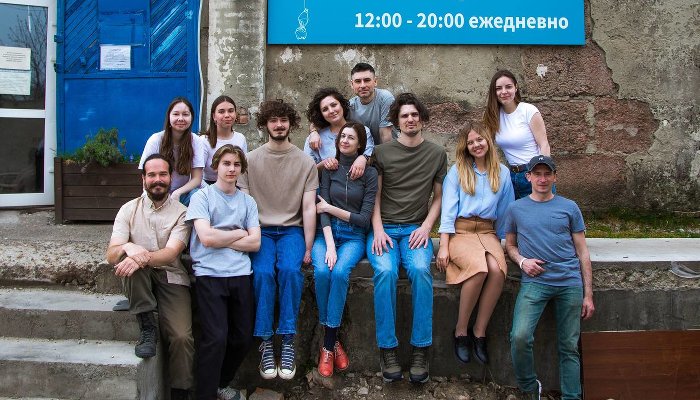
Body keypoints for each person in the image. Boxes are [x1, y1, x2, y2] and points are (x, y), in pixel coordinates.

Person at [368, 93, 447, 384]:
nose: (410, 119)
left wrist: (427, 227)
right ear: (396, 122)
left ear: (422, 119)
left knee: (420, 270)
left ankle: (420, 349)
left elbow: (438, 198)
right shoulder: (382, 153)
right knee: (385, 271)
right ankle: (387, 349)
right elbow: (374, 196)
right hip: (384, 229)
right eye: (404, 116)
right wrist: (377, 229)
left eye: (415, 115)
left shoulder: (437, 154)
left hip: (416, 229)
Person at [237, 99, 318, 381]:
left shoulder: (306, 162)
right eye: (273, 120)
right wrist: (249, 236)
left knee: (290, 271)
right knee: (261, 273)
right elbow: (245, 205)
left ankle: (287, 338)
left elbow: (308, 208)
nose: (279, 125)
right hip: (260, 230)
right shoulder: (249, 160)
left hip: (292, 231)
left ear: (291, 124)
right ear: (265, 124)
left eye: (284, 120)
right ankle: (265, 341)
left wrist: (309, 246)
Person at [504, 155, 595, 400]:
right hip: (535, 282)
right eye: (537, 174)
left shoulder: (569, 207)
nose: (542, 179)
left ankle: (572, 397)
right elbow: (510, 245)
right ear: (528, 177)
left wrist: (588, 294)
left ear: (555, 177)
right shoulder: (516, 208)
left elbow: (583, 251)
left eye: (547, 174)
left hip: (569, 282)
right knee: (520, 337)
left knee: (569, 346)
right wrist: (522, 261)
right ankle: (530, 388)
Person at [106, 154, 194, 400]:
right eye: (152, 175)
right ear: (143, 179)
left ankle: (180, 392)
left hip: (171, 277)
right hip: (139, 278)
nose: (158, 180)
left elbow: (171, 254)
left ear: (170, 178)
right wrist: (128, 248)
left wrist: (138, 255)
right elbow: (112, 254)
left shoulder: (182, 213)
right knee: (128, 260)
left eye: (163, 174)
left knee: (182, 337)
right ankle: (147, 326)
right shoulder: (128, 209)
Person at [186, 145, 260, 400]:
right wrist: (239, 233)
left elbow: (255, 243)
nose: (231, 169)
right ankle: (204, 395)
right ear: (216, 166)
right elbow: (206, 238)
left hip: (240, 274)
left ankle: (221, 383)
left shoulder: (248, 201)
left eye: (236, 164)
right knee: (215, 338)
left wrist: (223, 239)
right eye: (226, 163)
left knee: (243, 338)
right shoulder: (202, 197)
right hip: (210, 275)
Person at [436, 122, 514, 366]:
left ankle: (479, 332)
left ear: (488, 141)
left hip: (488, 232)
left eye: (480, 140)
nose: (476, 145)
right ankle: (461, 331)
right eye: (471, 142)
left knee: (497, 270)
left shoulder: (502, 173)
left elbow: (506, 211)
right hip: (461, 232)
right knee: (479, 269)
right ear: (466, 147)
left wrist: (504, 243)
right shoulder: (457, 171)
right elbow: (447, 211)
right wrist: (444, 245)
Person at [312, 122, 378, 377]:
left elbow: (363, 219)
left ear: (360, 145)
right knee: (322, 271)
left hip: (353, 237)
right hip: (326, 234)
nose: (345, 141)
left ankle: (327, 345)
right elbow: (321, 209)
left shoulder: (370, 174)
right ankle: (333, 341)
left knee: (340, 273)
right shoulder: (330, 169)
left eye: (351, 138)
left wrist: (330, 209)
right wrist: (329, 245)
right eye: (342, 136)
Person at [482, 70, 552, 199]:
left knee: (540, 211)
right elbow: (486, 146)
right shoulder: (494, 116)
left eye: (508, 87)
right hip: (511, 176)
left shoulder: (528, 110)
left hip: (533, 172)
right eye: (498, 88)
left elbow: (544, 144)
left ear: (516, 87)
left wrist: (541, 174)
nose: (504, 92)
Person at [307, 62, 395, 153]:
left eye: (367, 80)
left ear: (375, 81)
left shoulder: (385, 98)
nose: (362, 85)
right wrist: (313, 132)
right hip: (365, 152)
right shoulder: (350, 106)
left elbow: (385, 136)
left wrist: (382, 160)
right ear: (352, 84)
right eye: (358, 81)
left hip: (389, 151)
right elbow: (321, 120)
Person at [139, 96, 205, 206]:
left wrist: (177, 193)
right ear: (169, 117)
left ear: (192, 117)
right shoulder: (155, 140)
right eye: (176, 114)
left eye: (185, 114)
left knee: (199, 195)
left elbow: (197, 179)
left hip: (183, 194)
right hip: (157, 193)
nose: (181, 118)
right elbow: (145, 175)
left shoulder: (196, 141)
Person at [304, 87, 374, 180]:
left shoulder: (363, 130)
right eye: (325, 109)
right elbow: (307, 173)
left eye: (334, 105)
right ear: (321, 114)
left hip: (360, 185)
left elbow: (371, 157)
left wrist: (363, 158)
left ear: (342, 105)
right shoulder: (314, 138)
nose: (331, 111)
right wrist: (325, 164)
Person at [200, 95, 248, 185]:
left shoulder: (240, 138)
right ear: (214, 116)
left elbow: (243, 171)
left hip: (234, 186)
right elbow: (197, 176)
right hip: (208, 186)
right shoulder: (204, 141)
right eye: (221, 112)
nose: (227, 115)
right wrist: (212, 191)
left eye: (231, 111)